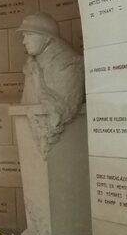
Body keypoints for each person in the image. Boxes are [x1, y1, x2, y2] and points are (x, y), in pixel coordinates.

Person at [18, 12, 84, 145]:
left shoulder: (68, 63)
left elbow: (64, 113)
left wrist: (38, 84)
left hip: (62, 144)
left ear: (47, 38)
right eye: (24, 36)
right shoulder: (32, 64)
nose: (24, 41)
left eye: (30, 35)